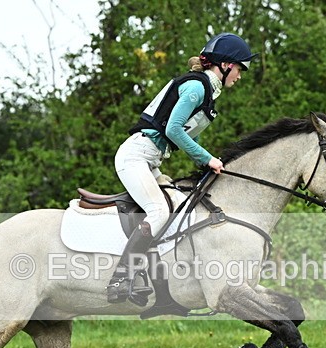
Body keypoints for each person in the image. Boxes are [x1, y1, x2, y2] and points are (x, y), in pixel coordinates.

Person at [107, 32, 257, 305]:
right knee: (158, 210)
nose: (240, 75)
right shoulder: (198, 88)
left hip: (150, 160)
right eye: (239, 69)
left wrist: (205, 161)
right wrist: (208, 158)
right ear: (224, 65)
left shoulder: (207, 91)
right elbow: (173, 129)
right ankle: (121, 278)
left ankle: (146, 275)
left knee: (176, 206)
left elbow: (188, 132)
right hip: (135, 156)